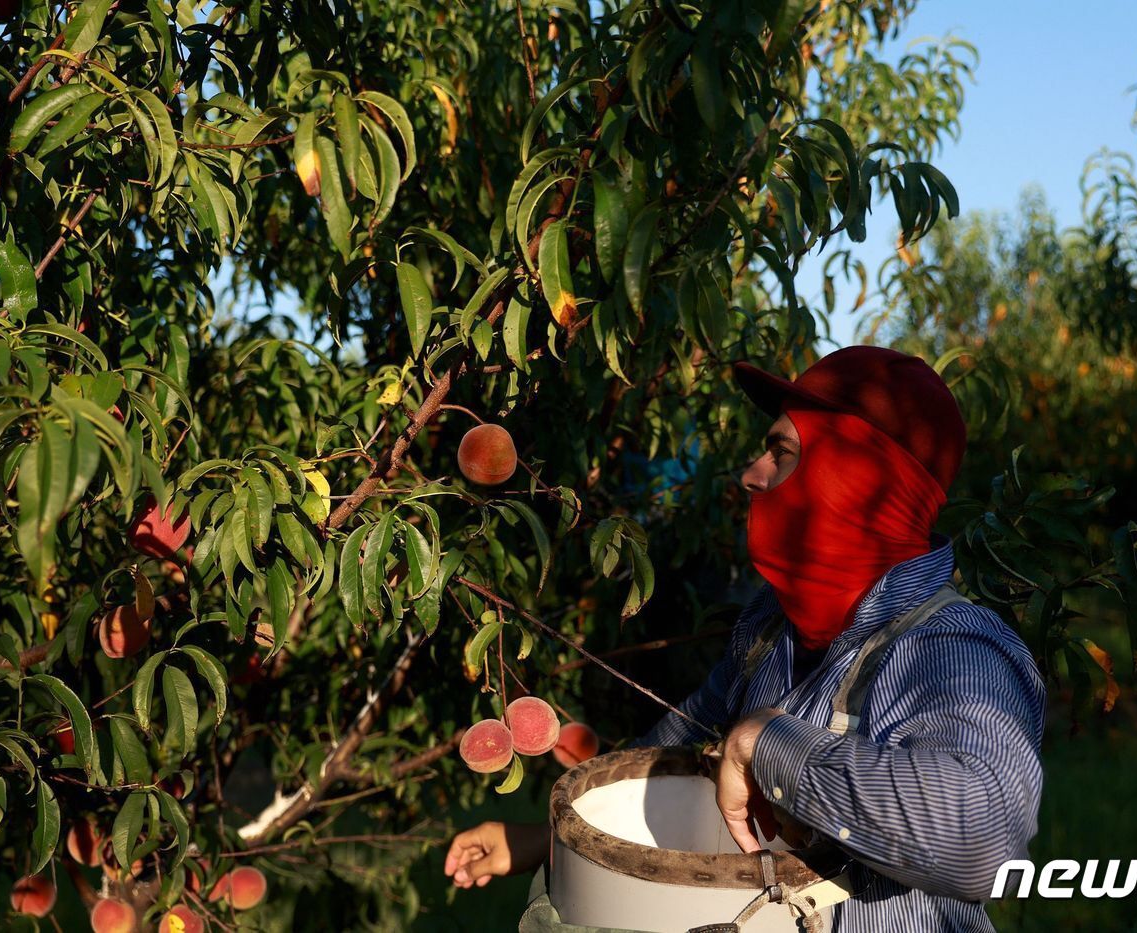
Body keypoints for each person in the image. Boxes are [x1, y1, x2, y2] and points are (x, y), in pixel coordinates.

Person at [444, 346, 1047, 931]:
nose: (750, 474)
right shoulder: (773, 626)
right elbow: (680, 744)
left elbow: (983, 839)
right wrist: (548, 839)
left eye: (781, 453)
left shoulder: (953, 651)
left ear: (857, 479)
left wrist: (766, 742)